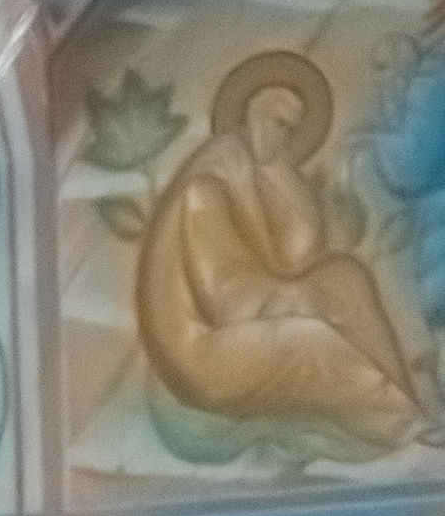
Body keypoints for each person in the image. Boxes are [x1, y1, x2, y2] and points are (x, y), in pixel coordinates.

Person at [137, 52, 436, 464]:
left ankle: (408, 400)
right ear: (249, 116)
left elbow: (302, 255)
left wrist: (277, 172)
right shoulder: (202, 192)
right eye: (276, 123)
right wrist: (299, 298)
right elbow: (228, 301)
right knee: (312, 342)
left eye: (291, 129)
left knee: (345, 277)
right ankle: (400, 429)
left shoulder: (255, 180)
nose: (283, 137)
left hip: (245, 328)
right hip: (201, 354)